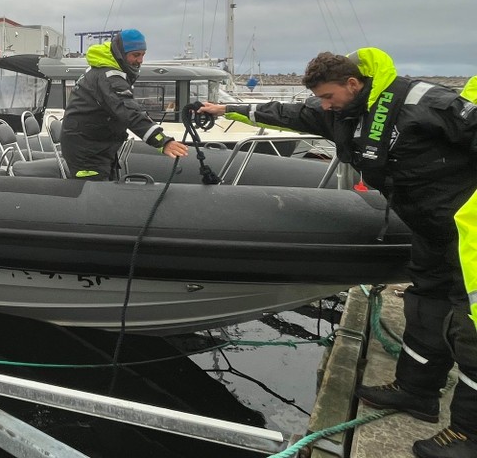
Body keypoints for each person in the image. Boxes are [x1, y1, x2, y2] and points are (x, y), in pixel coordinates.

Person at [199, 48, 477, 458]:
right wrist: (227, 107)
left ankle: (469, 434)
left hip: (468, 231)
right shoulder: (343, 113)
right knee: (426, 305)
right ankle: (417, 391)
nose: (324, 105)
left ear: (353, 84)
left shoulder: (426, 103)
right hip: (431, 231)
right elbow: (287, 114)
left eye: (329, 96)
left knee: (470, 330)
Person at [60, 28, 188, 181]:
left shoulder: (106, 70)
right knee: (97, 197)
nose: (140, 60)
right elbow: (128, 112)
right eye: (136, 55)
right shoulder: (110, 77)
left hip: (97, 146)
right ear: (120, 53)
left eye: (142, 55)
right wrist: (162, 141)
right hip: (88, 151)